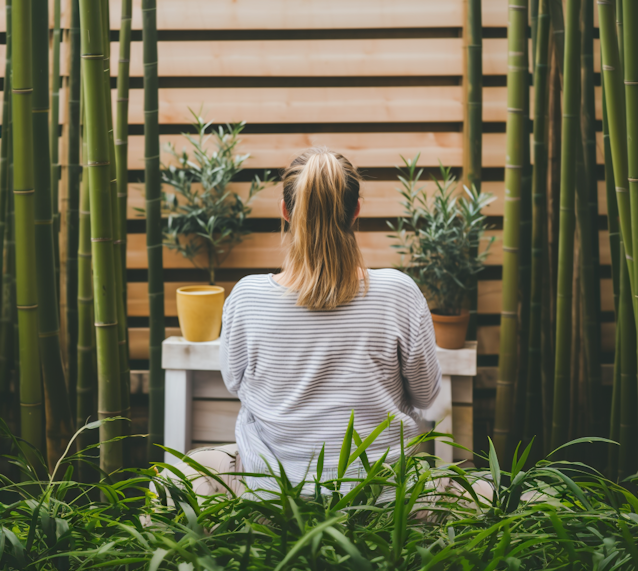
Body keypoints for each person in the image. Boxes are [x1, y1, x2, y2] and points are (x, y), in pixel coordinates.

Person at [167, 147, 442, 498]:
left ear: (285, 212)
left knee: (179, 475)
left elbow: (234, 382)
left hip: (274, 502)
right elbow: (426, 394)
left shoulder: (247, 296)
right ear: (356, 212)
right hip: (380, 502)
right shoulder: (399, 293)